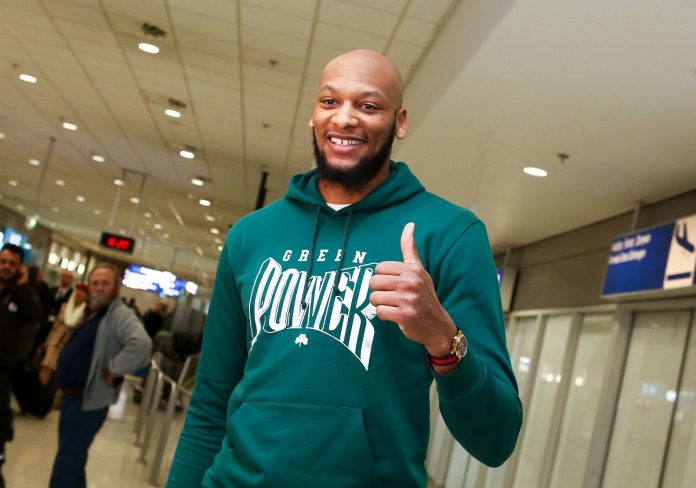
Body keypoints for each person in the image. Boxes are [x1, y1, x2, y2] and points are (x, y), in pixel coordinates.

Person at [166, 49, 522, 488]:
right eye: (330, 101)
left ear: (400, 122)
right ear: (313, 115)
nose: (345, 118)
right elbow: (210, 402)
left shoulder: (450, 234)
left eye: (368, 105)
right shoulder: (251, 234)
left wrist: (441, 337)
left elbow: (496, 439)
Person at [49, 263, 152, 488]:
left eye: (105, 283)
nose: (99, 288)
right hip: (73, 400)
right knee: (74, 462)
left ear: (117, 286)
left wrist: (114, 368)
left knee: (65, 467)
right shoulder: (95, 311)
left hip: (86, 403)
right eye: (95, 283)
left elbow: (142, 345)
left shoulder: (120, 314)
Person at [0, 244, 42, 488]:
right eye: (3, 261)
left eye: (12, 263)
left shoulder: (24, 295)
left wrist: (24, 286)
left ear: (20, 268)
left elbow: (35, 315)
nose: (6, 267)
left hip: (2, 373)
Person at [38, 283, 89, 386]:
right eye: (78, 292)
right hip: (55, 341)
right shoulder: (64, 306)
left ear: (86, 296)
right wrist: (46, 342)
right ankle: (39, 390)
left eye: (82, 293)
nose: (79, 294)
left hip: (69, 344)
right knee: (46, 366)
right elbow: (55, 326)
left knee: (59, 372)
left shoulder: (86, 312)